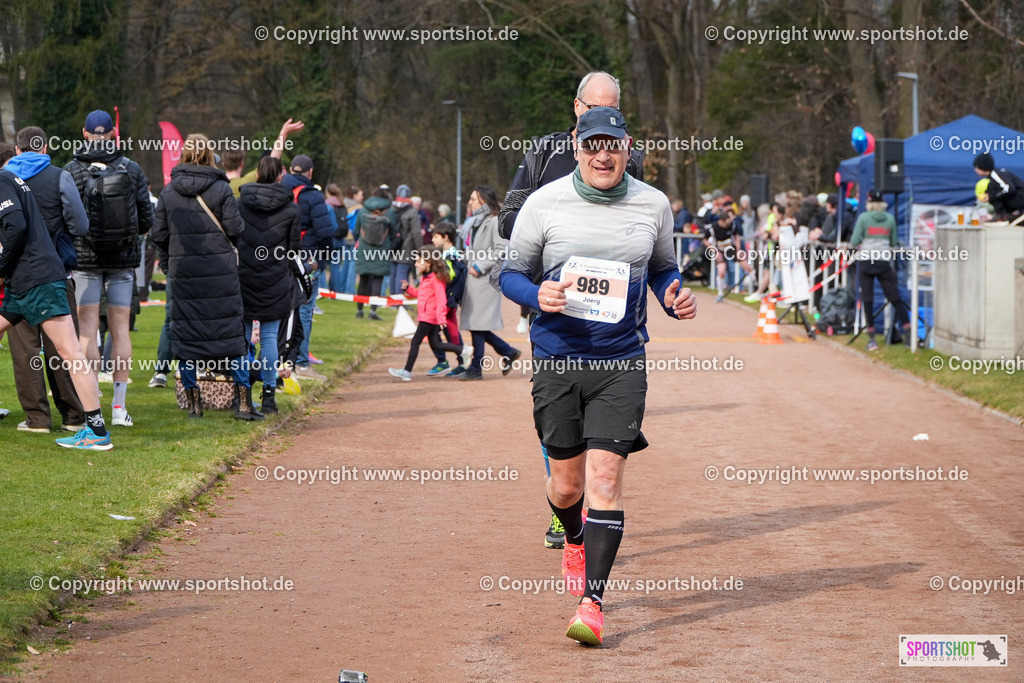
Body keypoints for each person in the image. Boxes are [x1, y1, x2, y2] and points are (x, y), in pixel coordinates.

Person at [501, 106, 696, 646]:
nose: (603, 155)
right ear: (576, 145)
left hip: (622, 361)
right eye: (592, 145)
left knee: (604, 481)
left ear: (629, 147)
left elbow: (661, 267)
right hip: (559, 358)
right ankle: (572, 536)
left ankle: (593, 604)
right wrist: (536, 294)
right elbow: (510, 273)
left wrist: (673, 294)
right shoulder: (544, 203)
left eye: (613, 144)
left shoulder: (653, 204)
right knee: (566, 486)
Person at [498, 70, 646, 551]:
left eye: (610, 106)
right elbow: (508, 218)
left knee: (602, 445)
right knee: (561, 424)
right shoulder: (543, 152)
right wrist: (555, 227)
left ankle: (586, 508)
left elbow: (638, 219)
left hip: (613, 315)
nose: (597, 121)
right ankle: (565, 509)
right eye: (589, 107)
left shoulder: (629, 155)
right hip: (549, 294)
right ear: (575, 108)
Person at [149, 133, 262, 420]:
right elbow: (236, 230)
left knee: (186, 339)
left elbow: (158, 234)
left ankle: (194, 404)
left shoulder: (169, 191)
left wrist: (169, 262)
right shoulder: (221, 189)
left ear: (185, 154)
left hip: (184, 272)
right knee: (232, 336)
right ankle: (244, 403)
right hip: (220, 273)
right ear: (210, 155)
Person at [0, 166, 112, 449]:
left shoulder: (2, 179)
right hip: (25, 279)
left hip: (36, 278)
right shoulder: (9, 177)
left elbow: (16, 225)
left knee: (70, 352)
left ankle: (96, 431)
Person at [64, 109, 153, 428]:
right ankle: (119, 407)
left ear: (85, 133)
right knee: (120, 330)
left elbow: (66, 218)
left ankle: (93, 405)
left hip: (86, 260)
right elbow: (146, 216)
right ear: (113, 133)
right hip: (122, 260)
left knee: (86, 333)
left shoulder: (72, 170)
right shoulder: (131, 169)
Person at [4, 127, 88, 433]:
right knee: (64, 348)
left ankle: (36, 418)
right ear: (45, 147)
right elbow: (80, 224)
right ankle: (75, 416)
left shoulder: (6, 179)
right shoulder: (60, 176)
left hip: (18, 275)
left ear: (16, 150)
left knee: (25, 349)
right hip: (55, 270)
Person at [237, 156, 300, 414]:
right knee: (270, 338)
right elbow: (294, 248)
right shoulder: (291, 208)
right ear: (279, 176)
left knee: (241, 340)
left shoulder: (239, 204)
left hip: (244, 276)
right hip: (275, 276)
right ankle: (269, 395)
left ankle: (241, 394)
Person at [458, 186, 520, 380]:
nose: (470, 202)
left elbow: (502, 250)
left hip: (484, 280)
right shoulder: (474, 222)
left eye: (473, 199)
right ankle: (507, 351)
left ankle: (476, 368)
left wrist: (480, 264)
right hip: (473, 280)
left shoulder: (494, 222)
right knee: (477, 324)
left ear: (484, 201)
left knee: (477, 324)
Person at [281, 153, 333, 378]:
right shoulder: (313, 196)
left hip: (279, 256)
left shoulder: (278, 188)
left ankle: (281, 361)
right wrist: (323, 260)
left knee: (281, 310)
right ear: (310, 172)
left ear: (292, 170)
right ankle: (301, 362)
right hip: (307, 258)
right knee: (304, 308)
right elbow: (325, 232)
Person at [387, 254, 471, 381]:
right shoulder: (426, 277)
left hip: (430, 317)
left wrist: (442, 318)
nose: (415, 264)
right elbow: (422, 293)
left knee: (415, 341)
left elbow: (441, 299)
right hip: (427, 316)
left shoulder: (435, 279)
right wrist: (409, 288)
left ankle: (407, 372)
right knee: (436, 344)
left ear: (428, 263)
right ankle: (463, 350)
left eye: (418, 262)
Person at [849, 189, 910, 351]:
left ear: (869, 203)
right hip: (883, 261)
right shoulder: (889, 219)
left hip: (866, 262)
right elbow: (894, 242)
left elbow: (854, 241)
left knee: (868, 300)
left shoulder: (863, 218)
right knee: (895, 298)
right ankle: (909, 334)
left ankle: (872, 340)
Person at [426, 222, 468, 377]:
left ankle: (462, 362)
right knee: (435, 331)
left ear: (446, 237)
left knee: (451, 332)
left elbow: (451, 278)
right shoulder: (443, 255)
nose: (433, 240)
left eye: (436, 237)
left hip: (448, 301)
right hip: (440, 301)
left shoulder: (453, 256)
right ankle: (443, 361)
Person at [223, 118, 305, 198]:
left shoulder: (218, 185)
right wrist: (283, 133)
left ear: (223, 164)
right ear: (242, 163)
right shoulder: (247, 181)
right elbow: (272, 161)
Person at [353, 189, 395, 320]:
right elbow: (394, 231)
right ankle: (373, 312)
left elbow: (356, 229)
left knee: (363, 279)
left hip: (364, 248)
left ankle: (359, 311)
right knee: (378, 280)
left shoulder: (364, 209)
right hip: (382, 249)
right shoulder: (389, 211)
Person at [704, 209, 753, 302]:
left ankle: (754, 287)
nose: (727, 224)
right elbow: (705, 240)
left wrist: (738, 251)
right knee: (721, 271)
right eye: (726, 222)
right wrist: (714, 250)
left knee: (746, 265)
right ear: (721, 221)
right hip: (719, 250)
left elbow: (736, 237)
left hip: (731, 249)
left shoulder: (732, 226)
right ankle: (720, 293)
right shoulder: (713, 228)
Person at [389, 184, 423, 297]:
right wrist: (420, 250)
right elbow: (416, 233)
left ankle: (393, 300)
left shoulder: (391, 209)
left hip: (393, 245)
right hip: (406, 247)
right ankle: (399, 301)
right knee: (402, 273)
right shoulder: (412, 211)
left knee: (393, 274)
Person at [973, 152, 1024, 220]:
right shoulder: (993, 176)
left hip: (1020, 199)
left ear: (982, 166)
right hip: (1017, 199)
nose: (975, 170)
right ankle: (1005, 216)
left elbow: (1009, 188)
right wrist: (985, 196)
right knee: (991, 189)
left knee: (992, 188)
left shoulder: (996, 174)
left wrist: (990, 197)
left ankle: (1002, 217)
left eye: (976, 167)